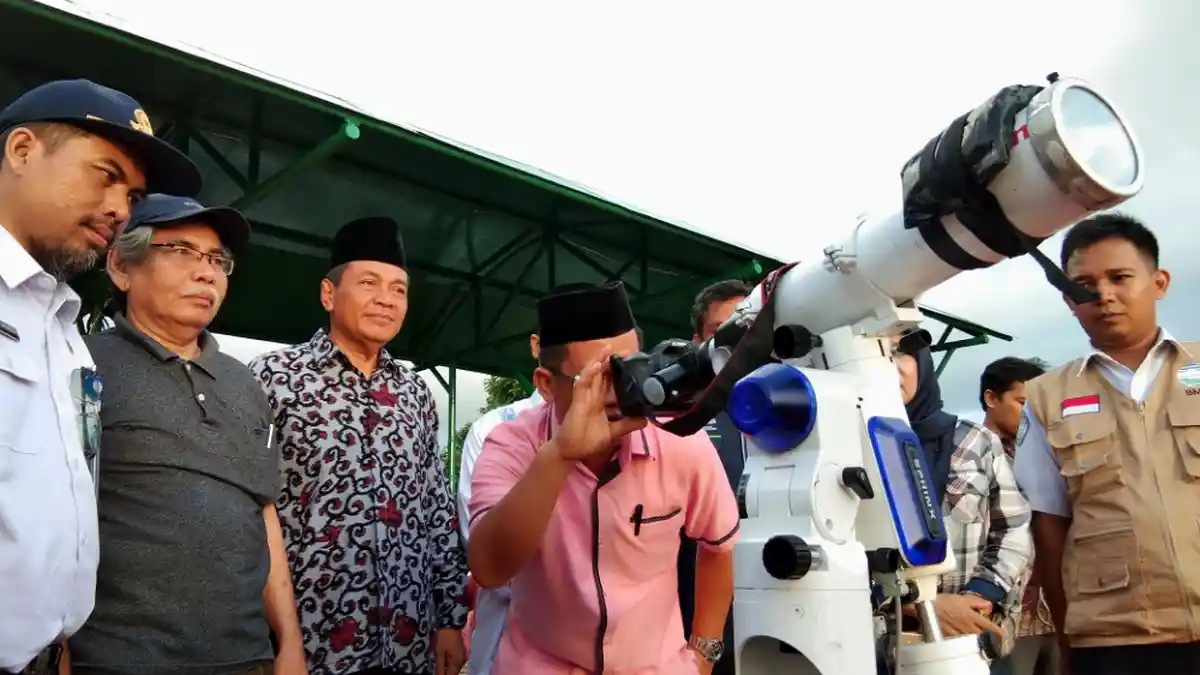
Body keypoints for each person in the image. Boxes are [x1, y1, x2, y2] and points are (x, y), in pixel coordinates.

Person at [0, 79, 200, 675]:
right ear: (22, 151)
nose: (121, 209)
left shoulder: (64, 328)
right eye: (105, 174)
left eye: (133, 195)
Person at [64, 194, 304, 675]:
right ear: (121, 267)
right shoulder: (78, 363)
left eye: (217, 260)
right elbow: (50, 517)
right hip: (118, 662)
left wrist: (290, 643)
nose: (207, 272)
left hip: (247, 660)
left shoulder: (244, 383)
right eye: (181, 252)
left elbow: (263, 513)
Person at [468, 281, 740, 675]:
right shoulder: (512, 444)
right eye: (600, 377)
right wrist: (560, 455)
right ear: (546, 385)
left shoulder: (679, 440)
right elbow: (490, 568)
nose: (624, 388)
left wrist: (702, 654)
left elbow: (720, 545)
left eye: (631, 367)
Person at [250, 216, 468, 675]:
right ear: (329, 294)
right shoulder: (275, 378)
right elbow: (250, 507)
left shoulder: (414, 392)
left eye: (399, 289)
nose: (386, 300)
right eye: (369, 283)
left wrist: (449, 619)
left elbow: (436, 508)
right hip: (310, 641)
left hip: (408, 642)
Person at [1013, 213, 1200, 675]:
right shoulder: (1044, 398)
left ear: (1159, 282)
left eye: (1120, 277)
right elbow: (1049, 525)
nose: (1103, 295)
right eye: (1084, 284)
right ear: (1068, 300)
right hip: (1114, 640)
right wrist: (1066, 632)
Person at [892, 333, 1031, 649]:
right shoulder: (843, 446)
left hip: (968, 633)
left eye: (900, 352)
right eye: (877, 353)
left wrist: (980, 595)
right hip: (878, 637)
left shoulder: (975, 440)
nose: (891, 367)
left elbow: (1014, 527)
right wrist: (919, 606)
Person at [457, 330, 550, 675]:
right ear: (536, 346)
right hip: (503, 645)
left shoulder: (637, 434)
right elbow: (487, 554)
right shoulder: (494, 429)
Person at [678, 279, 751, 675]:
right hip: (697, 629)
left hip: (781, 615)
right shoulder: (680, 421)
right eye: (722, 336)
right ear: (698, 342)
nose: (738, 349)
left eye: (749, 334)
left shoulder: (799, 410)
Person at [980, 357, 1057, 675]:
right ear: (991, 398)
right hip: (1001, 607)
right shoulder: (970, 456)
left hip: (1050, 605)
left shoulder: (1043, 452)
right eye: (1022, 402)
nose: (1030, 413)